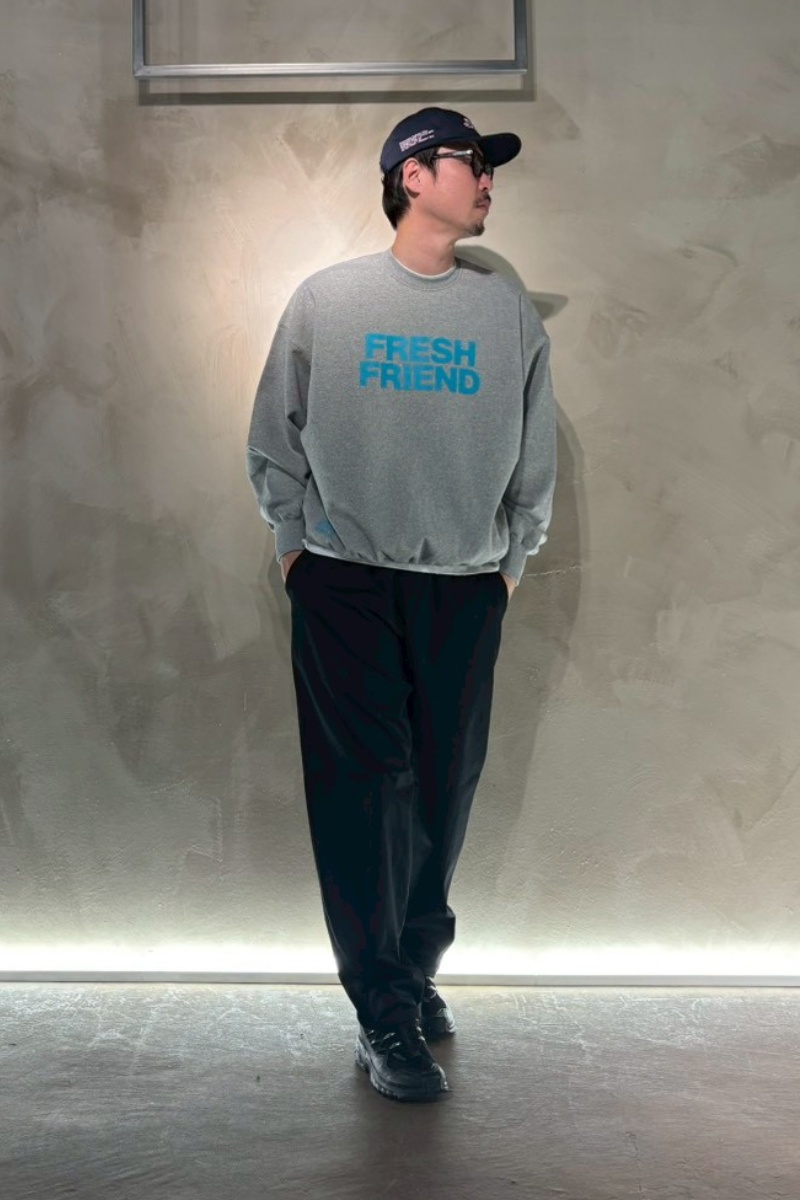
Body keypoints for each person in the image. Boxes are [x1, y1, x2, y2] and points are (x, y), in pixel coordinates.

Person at [246, 106, 557, 1103]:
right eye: (472, 163)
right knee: (361, 791)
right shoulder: (328, 300)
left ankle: (412, 971)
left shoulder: (504, 310)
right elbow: (274, 436)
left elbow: (535, 450)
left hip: (465, 584)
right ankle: (380, 1008)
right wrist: (296, 549)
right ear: (413, 176)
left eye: (489, 168)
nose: (488, 180)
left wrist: (510, 565)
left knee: (442, 788)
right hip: (345, 577)